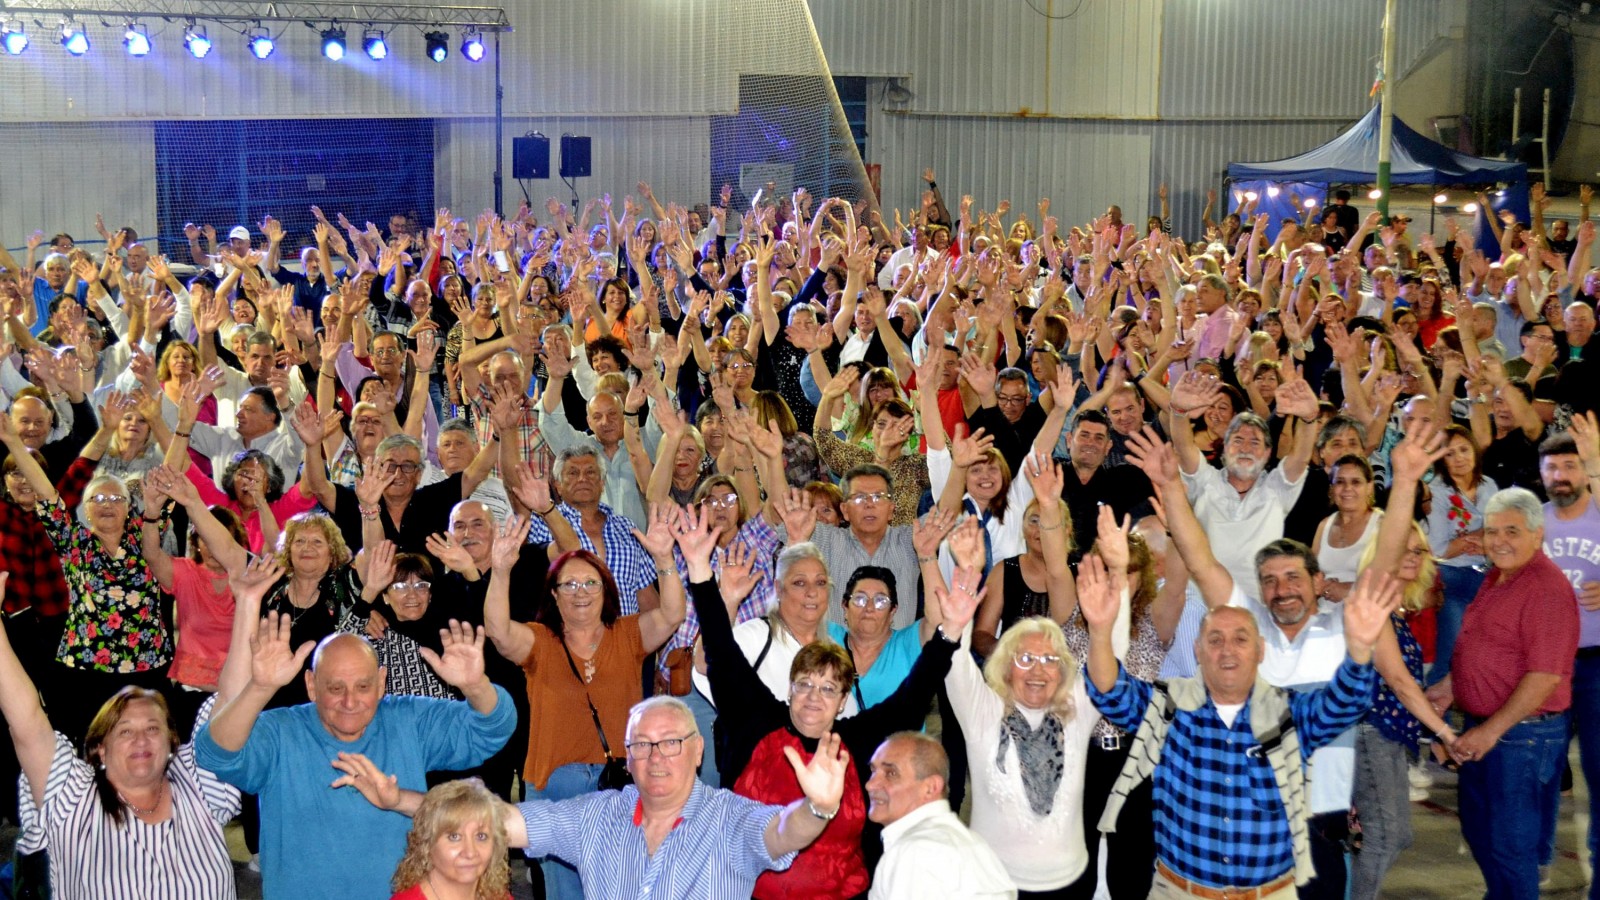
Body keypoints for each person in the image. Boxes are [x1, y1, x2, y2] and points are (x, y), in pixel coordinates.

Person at [689, 500, 973, 899]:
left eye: (827, 689)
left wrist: (952, 630)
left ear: (843, 702)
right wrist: (700, 573)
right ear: (789, 689)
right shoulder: (757, 722)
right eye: (804, 685)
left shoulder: (854, 741)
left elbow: (911, 697)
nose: (812, 698)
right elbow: (719, 649)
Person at [337, 695, 852, 900]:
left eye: (671, 742)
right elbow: (491, 821)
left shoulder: (730, 817)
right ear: (627, 757)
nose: (657, 756)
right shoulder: (597, 817)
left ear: (698, 752)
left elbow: (783, 832)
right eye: (642, 745)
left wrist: (818, 808)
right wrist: (397, 798)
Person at [195, 617, 516, 900]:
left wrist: (476, 686)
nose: (350, 701)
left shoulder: (408, 718)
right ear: (311, 685)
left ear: (381, 683)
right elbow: (215, 753)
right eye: (335, 688)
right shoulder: (280, 731)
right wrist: (259, 687)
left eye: (363, 686)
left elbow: (491, 730)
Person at [0, 568, 246, 900]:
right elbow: (27, 721)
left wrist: (247, 602)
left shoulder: (197, 781)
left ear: (172, 743)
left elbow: (231, 700)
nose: (141, 739)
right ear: (99, 748)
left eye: (152, 728)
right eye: (125, 731)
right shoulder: (72, 794)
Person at [481, 505, 686, 900]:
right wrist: (501, 570)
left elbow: (673, 613)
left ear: (606, 591)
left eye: (590, 584)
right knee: (564, 894)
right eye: (569, 585)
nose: (580, 593)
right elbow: (499, 631)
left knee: (623, 888)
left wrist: (663, 558)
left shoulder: (628, 635)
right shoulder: (540, 640)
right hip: (555, 786)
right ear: (553, 596)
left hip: (619, 787)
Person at [1425, 487, 1578, 900]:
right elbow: (1487, 647)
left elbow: (1544, 676)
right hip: (1489, 731)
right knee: (1481, 833)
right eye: (1492, 531)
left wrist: (1490, 731)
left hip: (1521, 738)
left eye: (1512, 530)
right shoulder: (1496, 576)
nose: (1499, 540)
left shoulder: (1545, 588)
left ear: (1537, 534)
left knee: (1511, 850)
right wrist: (1451, 686)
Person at [1, 393, 174, 742]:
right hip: (82, 668)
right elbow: (47, 494)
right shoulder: (73, 541)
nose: (108, 504)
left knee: (145, 747)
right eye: (99, 498)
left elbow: (172, 476)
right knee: (85, 745)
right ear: (87, 510)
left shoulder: (147, 537)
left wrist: (175, 425)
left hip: (147, 669)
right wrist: (12, 444)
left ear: (130, 507)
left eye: (117, 498)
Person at [1167, 369, 1319, 598]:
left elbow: (1301, 457)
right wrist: (1178, 411)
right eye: (1238, 440)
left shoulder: (1276, 489)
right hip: (1201, 603)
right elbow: (1183, 447)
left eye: (1255, 442)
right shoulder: (1205, 481)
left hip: (1258, 607)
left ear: (1268, 453)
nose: (1246, 448)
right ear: (1225, 449)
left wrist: (1309, 419)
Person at [865, 731, 1017, 900]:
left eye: (891, 773)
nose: (870, 784)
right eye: (873, 771)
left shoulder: (916, 853)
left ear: (930, 787)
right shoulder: (973, 844)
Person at [1424, 423, 1499, 685]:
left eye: (1464, 450)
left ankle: (1475, 720)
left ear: (1475, 451)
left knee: (1484, 656)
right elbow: (1438, 548)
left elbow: (1501, 533)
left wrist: (1472, 538)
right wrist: (1484, 535)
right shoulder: (1435, 491)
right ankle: (1436, 722)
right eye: (1450, 453)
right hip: (1451, 577)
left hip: (1489, 576)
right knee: (1451, 652)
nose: (1459, 459)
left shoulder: (1489, 485)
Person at [387, 779, 511, 900]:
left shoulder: (499, 896)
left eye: (481, 836)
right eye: (454, 837)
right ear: (427, 844)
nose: (470, 853)